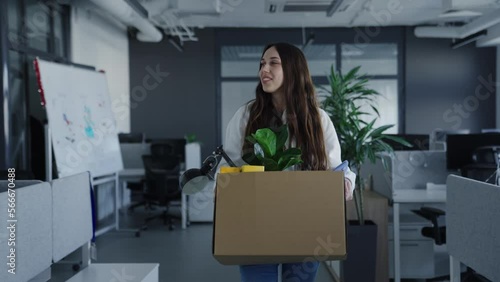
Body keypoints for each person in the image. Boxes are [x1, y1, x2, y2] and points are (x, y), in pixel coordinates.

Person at [223, 42, 356, 282]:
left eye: (273, 63)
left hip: (304, 221)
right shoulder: (245, 116)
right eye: (262, 63)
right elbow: (228, 166)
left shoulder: (317, 119)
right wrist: (222, 189)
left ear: (294, 70)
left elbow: (337, 168)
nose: (264, 69)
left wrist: (345, 182)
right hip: (255, 222)